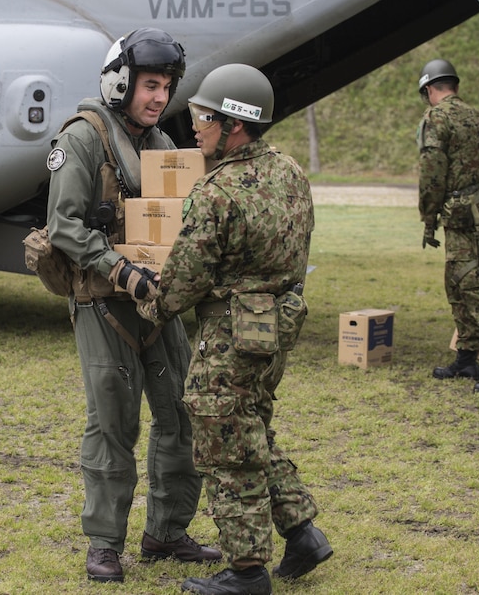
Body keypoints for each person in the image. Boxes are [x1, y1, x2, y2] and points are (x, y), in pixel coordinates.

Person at [137, 63, 333, 595]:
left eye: (203, 116)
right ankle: (301, 533)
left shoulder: (217, 190)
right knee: (250, 428)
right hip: (276, 326)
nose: (193, 125)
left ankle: (247, 572)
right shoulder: (291, 172)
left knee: (226, 444)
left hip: (230, 333)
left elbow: (184, 278)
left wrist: (150, 307)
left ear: (235, 125)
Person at [44, 28, 220, 583]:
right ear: (121, 81)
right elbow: (63, 226)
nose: (158, 98)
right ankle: (103, 542)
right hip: (103, 303)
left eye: (166, 87)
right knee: (113, 424)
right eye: (149, 85)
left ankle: (167, 531)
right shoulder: (81, 139)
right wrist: (121, 268)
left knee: (181, 415)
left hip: (157, 305)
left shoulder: (163, 148)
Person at [417, 58, 479, 393]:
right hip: (478, 213)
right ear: (455, 86)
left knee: (476, 289)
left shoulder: (436, 118)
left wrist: (428, 215)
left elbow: (432, 171)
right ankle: (467, 357)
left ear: (430, 90)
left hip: (458, 214)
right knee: (457, 285)